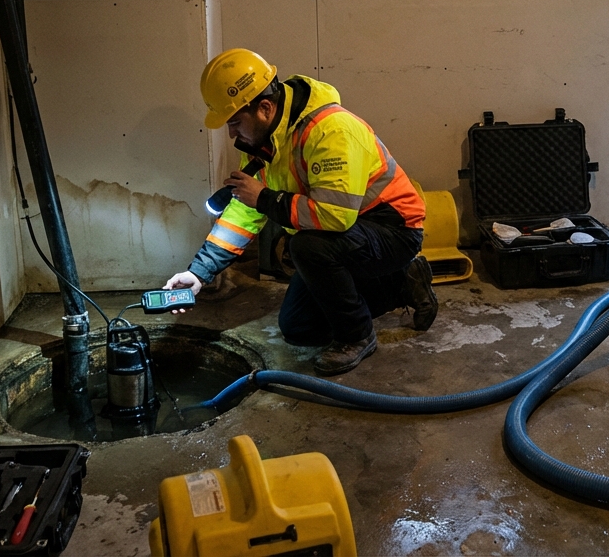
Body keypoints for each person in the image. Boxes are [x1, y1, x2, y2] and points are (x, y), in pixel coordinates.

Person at [164, 49, 437, 375]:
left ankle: (357, 336)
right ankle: (401, 283)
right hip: (344, 238)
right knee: (299, 328)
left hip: (394, 231)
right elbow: (244, 214)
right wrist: (198, 273)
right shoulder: (261, 143)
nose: (232, 133)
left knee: (307, 247)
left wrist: (265, 199)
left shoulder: (331, 130)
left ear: (265, 108)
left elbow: (335, 216)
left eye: (235, 122)